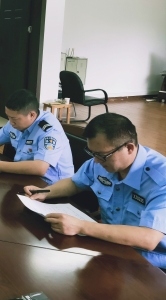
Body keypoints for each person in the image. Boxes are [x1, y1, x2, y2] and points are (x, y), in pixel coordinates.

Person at [23, 113, 166, 268]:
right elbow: (75, 183)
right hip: (108, 242)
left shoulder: (161, 179)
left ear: (129, 148)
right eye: (93, 153)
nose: (96, 161)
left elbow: (148, 239)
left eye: (101, 155)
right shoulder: (102, 162)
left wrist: (81, 226)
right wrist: (45, 192)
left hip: (148, 261)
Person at [0, 89, 74, 184]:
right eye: (8, 117)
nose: (10, 122)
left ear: (32, 115)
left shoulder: (49, 130)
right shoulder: (15, 121)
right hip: (26, 176)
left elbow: (40, 167)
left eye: (14, 118)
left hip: (51, 184)